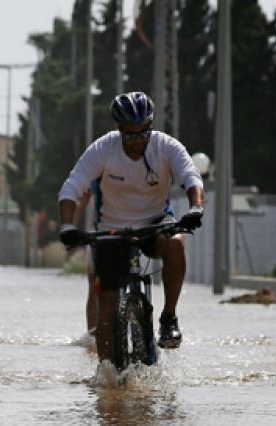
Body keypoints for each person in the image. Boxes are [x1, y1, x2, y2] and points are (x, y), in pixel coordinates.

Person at [57, 91, 205, 364]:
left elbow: (191, 176)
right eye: (130, 134)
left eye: (143, 133)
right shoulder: (103, 149)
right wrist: (67, 225)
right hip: (112, 230)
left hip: (153, 223)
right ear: (119, 130)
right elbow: (72, 188)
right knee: (108, 309)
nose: (137, 140)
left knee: (176, 243)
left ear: (150, 127)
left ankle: (168, 316)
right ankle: (108, 376)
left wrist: (195, 207)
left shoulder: (167, 146)